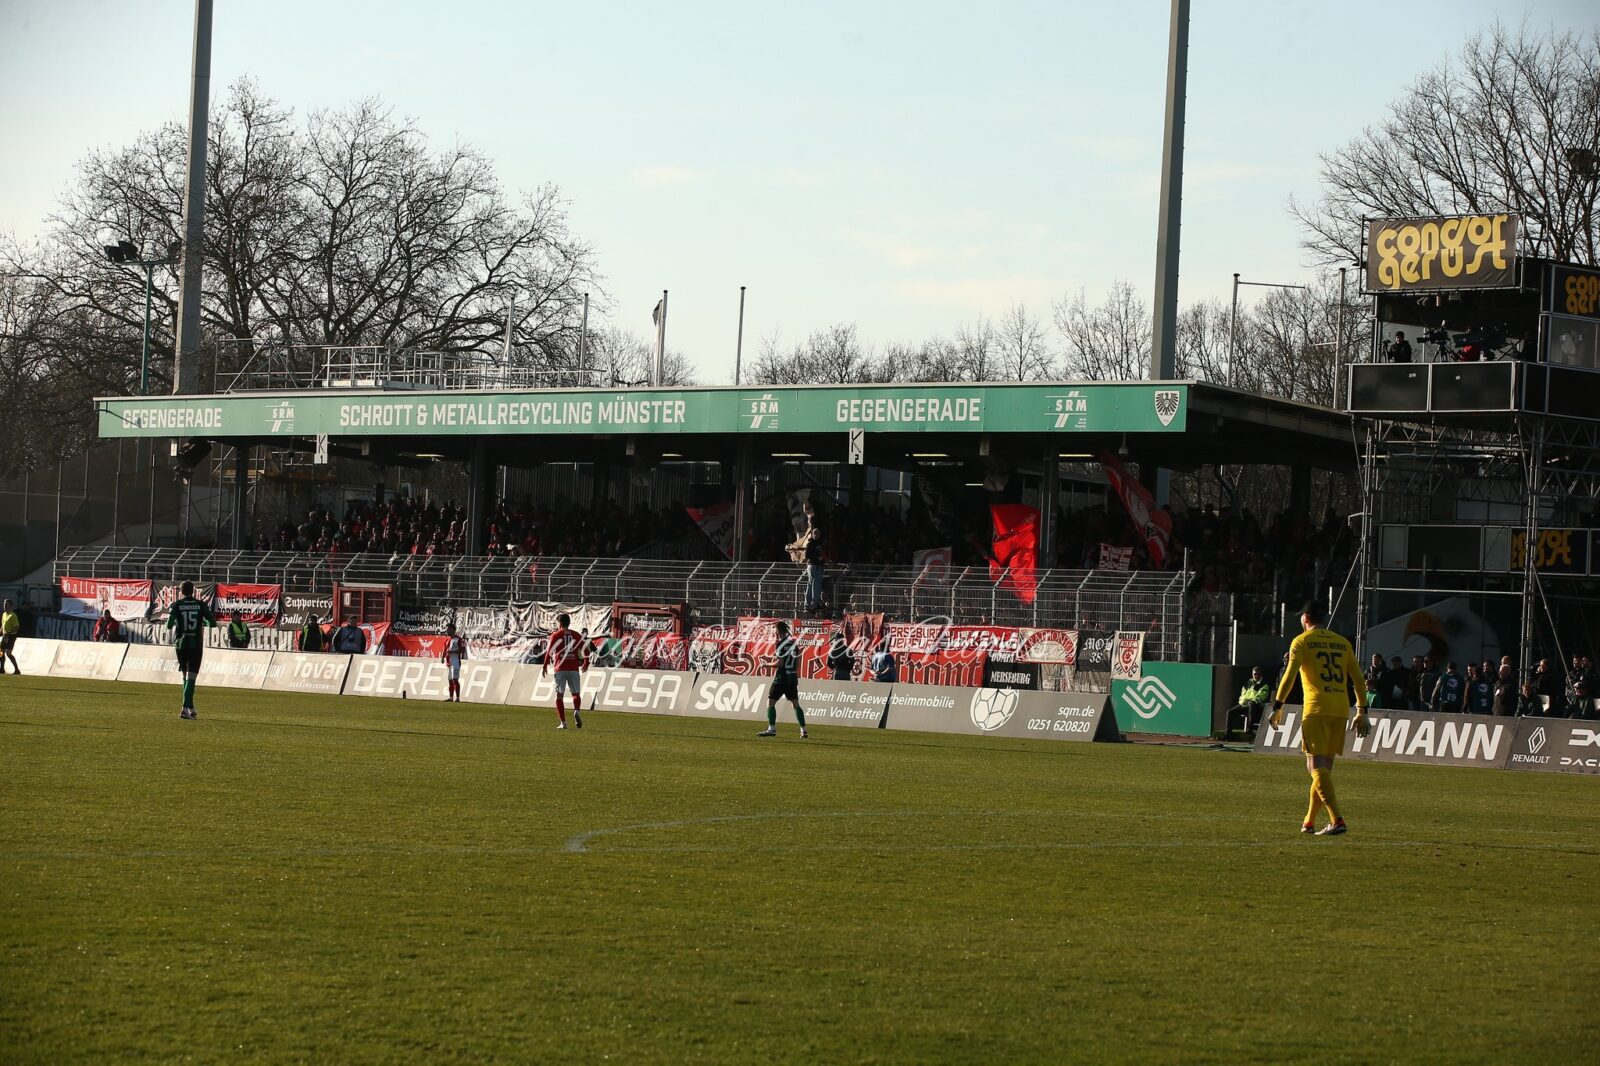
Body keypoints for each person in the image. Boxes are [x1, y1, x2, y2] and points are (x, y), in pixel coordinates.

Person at [1269, 601, 1368, 837]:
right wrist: (1362, 711)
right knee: (1323, 770)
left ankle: (1337, 820)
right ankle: (1309, 822)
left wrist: (1277, 706)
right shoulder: (1342, 643)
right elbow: (1358, 679)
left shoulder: (1301, 642)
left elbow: (1289, 676)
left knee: (1315, 768)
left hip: (1316, 709)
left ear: (1305, 618)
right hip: (1340, 708)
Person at [165, 580, 216, 720]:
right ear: (193, 591)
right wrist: (202, 622)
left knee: (185, 678)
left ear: (181, 592)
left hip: (181, 645)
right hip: (195, 645)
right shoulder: (200, 605)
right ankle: (184, 708)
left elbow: (169, 626)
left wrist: (177, 622)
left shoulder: (177, 605)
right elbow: (213, 623)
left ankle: (191, 708)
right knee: (191, 679)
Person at [759, 619, 808, 738]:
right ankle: (803, 729)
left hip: (781, 678)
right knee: (795, 703)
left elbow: (780, 663)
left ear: (777, 631)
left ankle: (772, 729)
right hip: (792, 677)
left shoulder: (780, 644)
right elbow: (797, 662)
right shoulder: (794, 644)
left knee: (770, 702)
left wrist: (766, 664)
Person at [541, 612, 589, 729]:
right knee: (575, 693)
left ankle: (563, 723)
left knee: (559, 696)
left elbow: (549, 652)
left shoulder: (556, 635)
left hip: (560, 668)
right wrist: (586, 662)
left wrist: (545, 665)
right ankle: (576, 710)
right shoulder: (576, 635)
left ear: (560, 624)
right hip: (573, 668)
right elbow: (586, 649)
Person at [1233, 665, 1272, 736]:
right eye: (1255, 674)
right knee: (1229, 712)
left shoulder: (1264, 685)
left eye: (1258, 674)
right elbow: (1242, 694)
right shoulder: (1248, 682)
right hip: (1245, 704)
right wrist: (1243, 702)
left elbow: (1261, 697)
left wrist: (1251, 701)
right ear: (1252, 674)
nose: (1256, 676)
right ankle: (1228, 734)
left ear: (1261, 675)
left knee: (1252, 704)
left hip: (1256, 706)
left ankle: (1249, 730)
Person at [440, 622, 467, 702]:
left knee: (455, 679)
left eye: (448, 629)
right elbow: (445, 650)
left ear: (453, 630)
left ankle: (458, 698)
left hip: (455, 662)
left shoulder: (458, 639)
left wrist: (454, 651)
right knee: (450, 680)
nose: (447, 631)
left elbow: (463, 650)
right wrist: (443, 657)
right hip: (449, 662)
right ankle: (451, 697)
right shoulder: (447, 640)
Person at [0, 598, 20, 674]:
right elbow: (3, 624)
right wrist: (1, 630)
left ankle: (16, 669)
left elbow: (17, 627)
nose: (4, 606)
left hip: (11, 636)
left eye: (6, 604)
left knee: (8, 653)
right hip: (5, 636)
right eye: (4, 604)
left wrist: (9, 632)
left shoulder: (13, 615)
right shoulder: (4, 614)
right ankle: (2, 668)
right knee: (1, 652)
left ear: (10, 606)